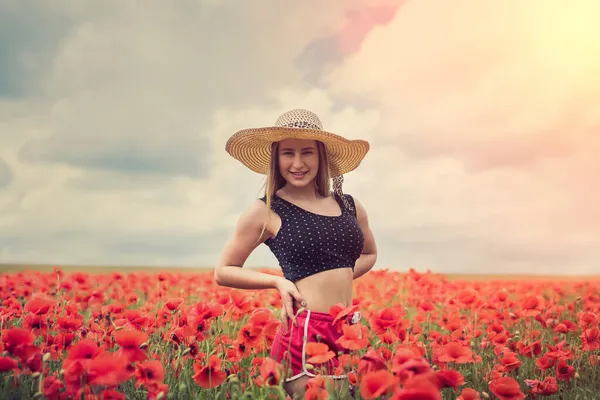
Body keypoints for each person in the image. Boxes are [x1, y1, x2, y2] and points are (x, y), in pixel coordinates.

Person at [214, 109, 377, 398]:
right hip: (305, 329)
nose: (298, 163)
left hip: (350, 328)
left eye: (307, 153)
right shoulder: (266, 210)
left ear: (321, 156)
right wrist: (279, 282)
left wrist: (336, 279)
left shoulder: (349, 205)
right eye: (288, 153)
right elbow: (224, 270)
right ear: (276, 159)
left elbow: (368, 254)